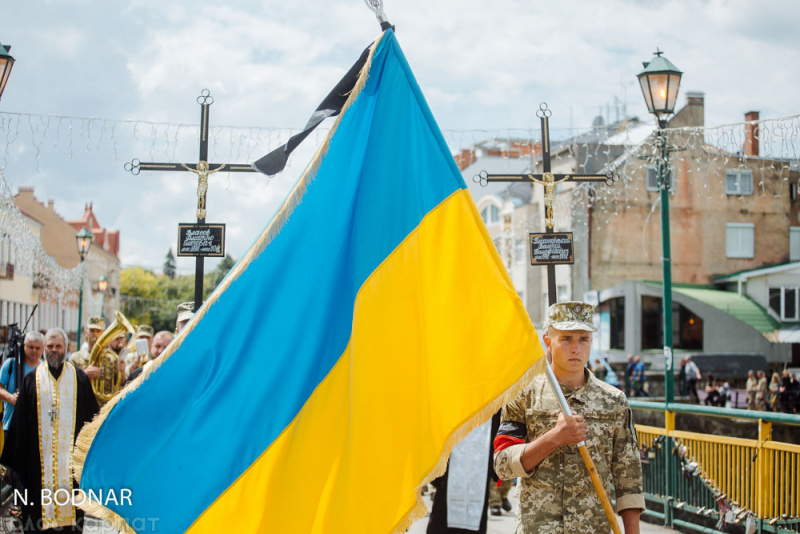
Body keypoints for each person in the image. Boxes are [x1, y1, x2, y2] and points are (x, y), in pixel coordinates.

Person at [493, 301, 644, 533]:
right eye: (566, 339)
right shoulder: (523, 394)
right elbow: (502, 465)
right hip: (538, 528)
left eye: (583, 339)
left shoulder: (614, 401)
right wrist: (555, 438)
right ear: (548, 342)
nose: (576, 348)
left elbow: (629, 479)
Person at [7, 328, 99, 533]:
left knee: (71, 521)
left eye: (58, 346)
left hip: (71, 466)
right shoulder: (31, 380)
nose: (54, 350)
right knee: (36, 519)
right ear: (44, 349)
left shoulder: (80, 378)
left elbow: (92, 419)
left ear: (66, 348)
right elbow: (20, 425)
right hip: (37, 467)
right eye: (50, 346)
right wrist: (18, 464)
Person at [0, 331, 44, 432]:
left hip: (36, 428)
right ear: (24, 346)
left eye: (37, 348)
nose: (34, 351)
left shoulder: (45, 368)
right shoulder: (11, 364)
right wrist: (11, 398)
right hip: (11, 425)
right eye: (31, 347)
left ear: (42, 349)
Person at [68, 316, 106, 380]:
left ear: (104, 334)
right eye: (92, 331)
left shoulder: (110, 358)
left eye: (98, 331)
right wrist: (84, 374)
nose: (95, 334)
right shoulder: (75, 358)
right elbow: (68, 380)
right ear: (86, 332)